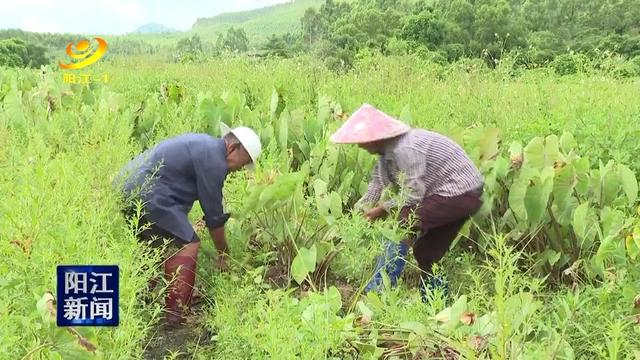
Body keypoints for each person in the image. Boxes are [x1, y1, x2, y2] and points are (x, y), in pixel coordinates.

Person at [330, 104, 483, 301]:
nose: (359, 146)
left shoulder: (406, 148)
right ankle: (436, 303)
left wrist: (383, 209)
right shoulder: (386, 153)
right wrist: (353, 217)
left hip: (460, 193)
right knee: (427, 252)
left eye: (362, 141)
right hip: (453, 196)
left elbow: (413, 195)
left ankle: (378, 293)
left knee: (402, 224)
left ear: (375, 138)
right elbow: (375, 187)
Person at [115, 123, 261, 325]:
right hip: (150, 192)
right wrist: (223, 254)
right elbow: (214, 216)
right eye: (244, 162)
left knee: (153, 249)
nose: (240, 169)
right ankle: (176, 315)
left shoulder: (205, 146)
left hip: (128, 186)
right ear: (233, 147)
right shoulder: (215, 159)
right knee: (188, 244)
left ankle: (132, 304)